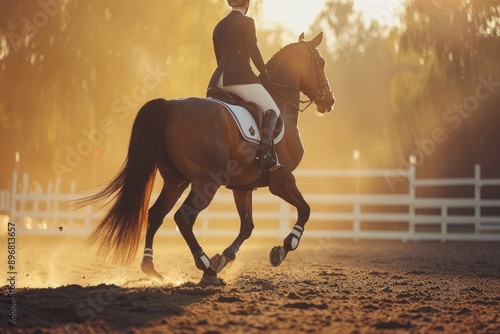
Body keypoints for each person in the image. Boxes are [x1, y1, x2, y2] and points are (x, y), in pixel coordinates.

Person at [208, 0, 283, 171]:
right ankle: (264, 154)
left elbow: (219, 58)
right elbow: (253, 49)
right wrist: (264, 73)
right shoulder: (247, 22)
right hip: (240, 78)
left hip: (217, 81)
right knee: (273, 110)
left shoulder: (219, 26)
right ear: (247, 4)